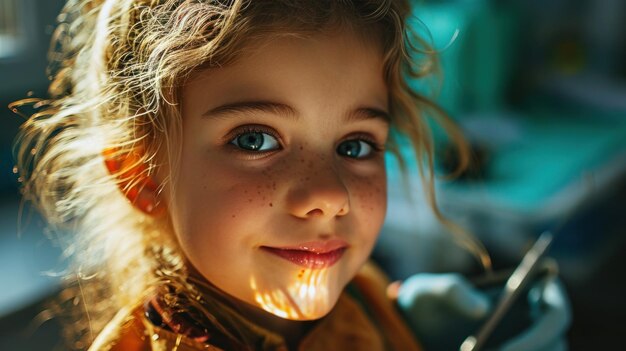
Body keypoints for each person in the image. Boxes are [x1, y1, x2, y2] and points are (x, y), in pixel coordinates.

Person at [12, 0, 570, 350]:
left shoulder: (351, 286)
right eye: (254, 139)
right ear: (143, 175)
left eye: (355, 145)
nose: (330, 196)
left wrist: (400, 320)